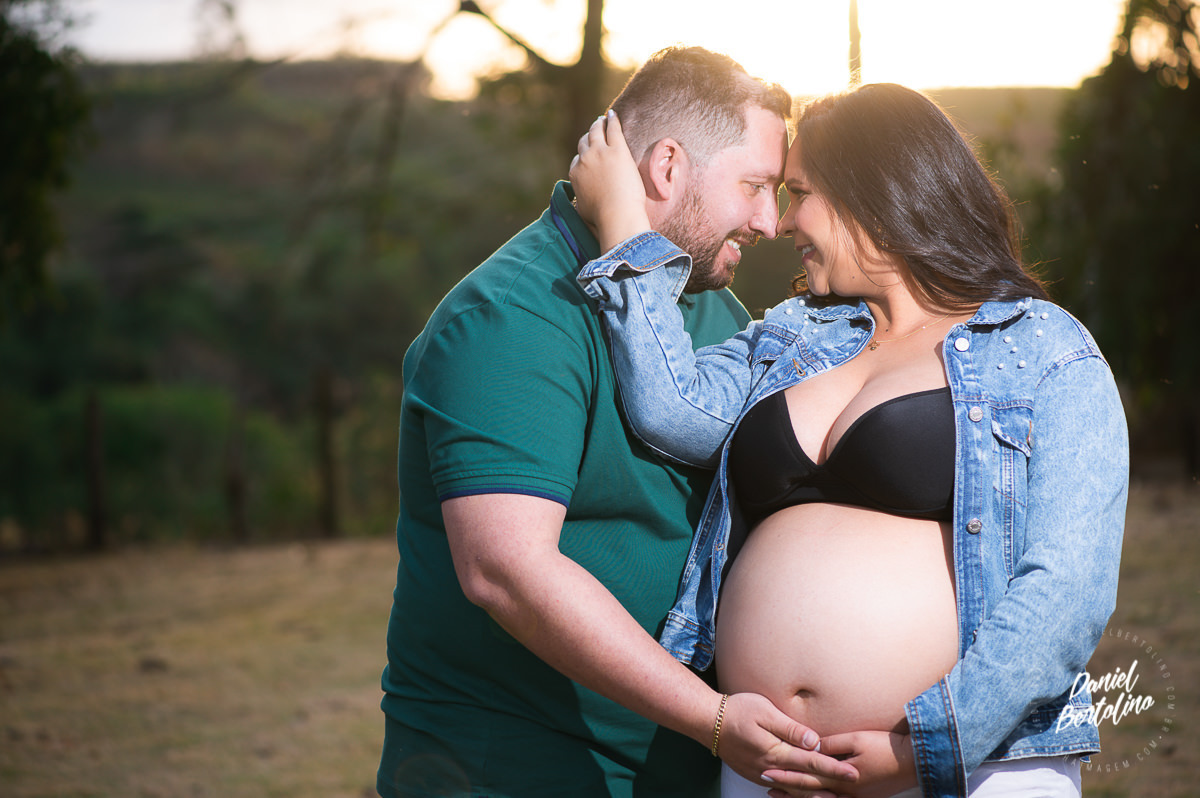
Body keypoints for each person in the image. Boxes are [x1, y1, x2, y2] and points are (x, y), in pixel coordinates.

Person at [569, 82, 1128, 798]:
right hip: (772, 765)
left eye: (798, 192)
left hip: (971, 768)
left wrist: (928, 745)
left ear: (875, 191)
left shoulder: (1044, 349)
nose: (780, 222)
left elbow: (1067, 588)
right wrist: (624, 225)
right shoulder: (795, 331)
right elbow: (670, 409)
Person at [377, 46, 860, 798]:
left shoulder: (708, 306)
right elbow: (506, 572)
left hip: (677, 771)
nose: (771, 220)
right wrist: (712, 716)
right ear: (667, 167)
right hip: (520, 771)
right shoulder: (511, 317)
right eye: (755, 186)